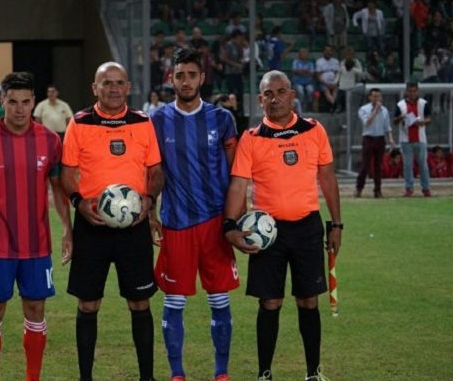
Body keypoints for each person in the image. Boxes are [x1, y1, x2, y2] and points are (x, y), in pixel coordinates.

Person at [223, 70, 342, 381]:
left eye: (280, 92)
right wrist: (229, 226)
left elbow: (327, 179)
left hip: (307, 227)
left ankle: (313, 372)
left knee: (308, 299)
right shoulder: (251, 138)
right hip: (267, 232)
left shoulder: (314, 131)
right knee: (270, 301)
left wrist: (337, 224)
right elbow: (238, 185)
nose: (274, 99)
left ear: (292, 95)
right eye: (267, 94)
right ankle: (264, 373)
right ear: (260, 100)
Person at [60, 61, 163, 381]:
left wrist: (149, 201)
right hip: (92, 227)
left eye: (119, 83)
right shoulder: (79, 123)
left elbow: (155, 172)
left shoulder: (143, 122)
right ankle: (86, 377)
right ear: (95, 88)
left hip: (134, 229)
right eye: (107, 83)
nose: (114, 88)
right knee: (88, 304)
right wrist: (79, 204)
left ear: (129, 87)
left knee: (140, 303)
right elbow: (66, 174)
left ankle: (147, 377)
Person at [0, 72, 73, 381]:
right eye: (12, 102)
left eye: (25, 102)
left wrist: (68, 230)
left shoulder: (50, 140)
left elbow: (58, 189)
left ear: (34, 103)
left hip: (36, 245)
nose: (19, 108)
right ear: (2, 101)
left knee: (35, 310)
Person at [149, 48, 240, 381]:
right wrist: (151, 214)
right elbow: (153, 172)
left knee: (219, 299)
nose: (185, 81)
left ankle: (221, 371)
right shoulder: (156, 121)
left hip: (216, 223)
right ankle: (177, 372)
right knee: (174, 301)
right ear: (171, 78)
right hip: (176, 223)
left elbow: (236, 175)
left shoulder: (222, 119)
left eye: (191, 75)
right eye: (179, 75)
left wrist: (235, 219)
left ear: (202, 77)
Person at [393, 82, 432, 197]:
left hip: (420, 138)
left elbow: (429, 119)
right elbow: (395, 121)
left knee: (423, 165)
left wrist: (422, 122)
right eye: (410, 91)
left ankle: (426, 188)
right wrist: (401, 117)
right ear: (406, 91)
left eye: (414, 91)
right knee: (407, 165)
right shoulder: (400, 105)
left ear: (417, 91)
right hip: (406, 139)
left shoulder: (424, 103)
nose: (412, 93)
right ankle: (409, 188)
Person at [355, 88, 395, 198]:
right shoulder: (364, 109)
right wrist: (375, 111)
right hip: (368, 138)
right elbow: (367, 122)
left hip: (380, 138)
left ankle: (377, 190)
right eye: (374, 96)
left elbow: (387, 127)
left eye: (378, 96)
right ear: (370, 97)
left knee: (378, 166)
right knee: (365, 164)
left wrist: (390, 138)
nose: (376, 98)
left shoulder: (385, 110)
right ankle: (359, 188)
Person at [292, 48, 317, 113]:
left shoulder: (310, 63)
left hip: (308, 82)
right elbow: (295, 71)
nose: (304, 54)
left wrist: (301, 71)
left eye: (306, 53)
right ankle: (300, 108)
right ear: (299, 54)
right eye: (302, 53)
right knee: (300, 92)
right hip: (298, 82)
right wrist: (304, 71)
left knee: (310, 91)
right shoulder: (296, 62)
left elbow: (312, 73)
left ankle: (308, 106)